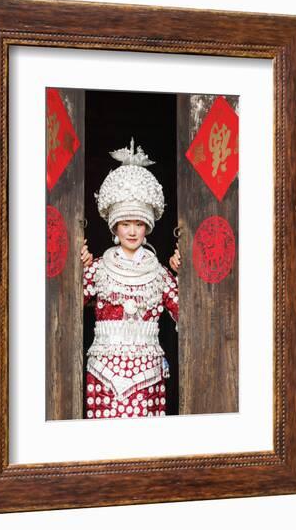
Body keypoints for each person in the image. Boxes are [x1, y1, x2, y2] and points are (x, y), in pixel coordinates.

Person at [80, 138, 181, 419]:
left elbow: (190, 316)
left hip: (148, 377)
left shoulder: (160, 274)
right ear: (115, 226)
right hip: (103, 377)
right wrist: (72, 270)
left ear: (147, 227)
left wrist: (187, 275)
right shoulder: (99, 269)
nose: (132, 232)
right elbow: (63, 306)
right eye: (126, 224)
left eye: (138, 224)